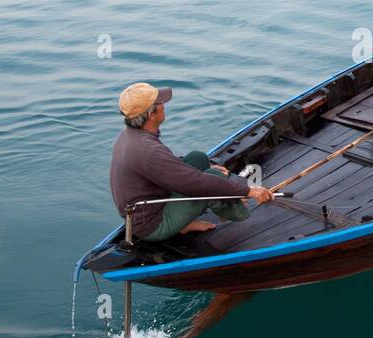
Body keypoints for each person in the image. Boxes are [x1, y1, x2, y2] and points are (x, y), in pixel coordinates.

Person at [109, 82, 273, 241]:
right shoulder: (147, 150)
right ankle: (240, 211)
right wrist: (247, 191)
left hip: (152, 203)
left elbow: (163, 166)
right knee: (212, 178)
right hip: (152, 224)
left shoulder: (130, 135)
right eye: (160, 102)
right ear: (151, 115)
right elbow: (197, 184)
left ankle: (184, 223)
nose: (164, 104)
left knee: (198, 158)